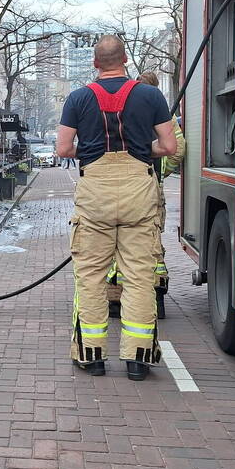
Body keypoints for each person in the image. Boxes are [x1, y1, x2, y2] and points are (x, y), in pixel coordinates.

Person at [56, 36, 177, 381]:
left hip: (96, 193)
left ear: (95, 63)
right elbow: (169, 145)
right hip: (139, 189)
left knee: (91, 275)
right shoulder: (151, 95)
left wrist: (93, 151)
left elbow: (64, 149)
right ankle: (138, 359)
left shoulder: (78, 98)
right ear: (125, 58)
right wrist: (142, 150)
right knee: (139, 275)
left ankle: (92, 356)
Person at [106, 71, 187, 319]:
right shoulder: (164, 115)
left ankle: (118, 299)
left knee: (118, 243)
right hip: (151, 186)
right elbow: (177, 149)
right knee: (150, 243)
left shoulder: (127, 111)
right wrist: (161, 171)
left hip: (124, 184)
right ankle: (155, 298)